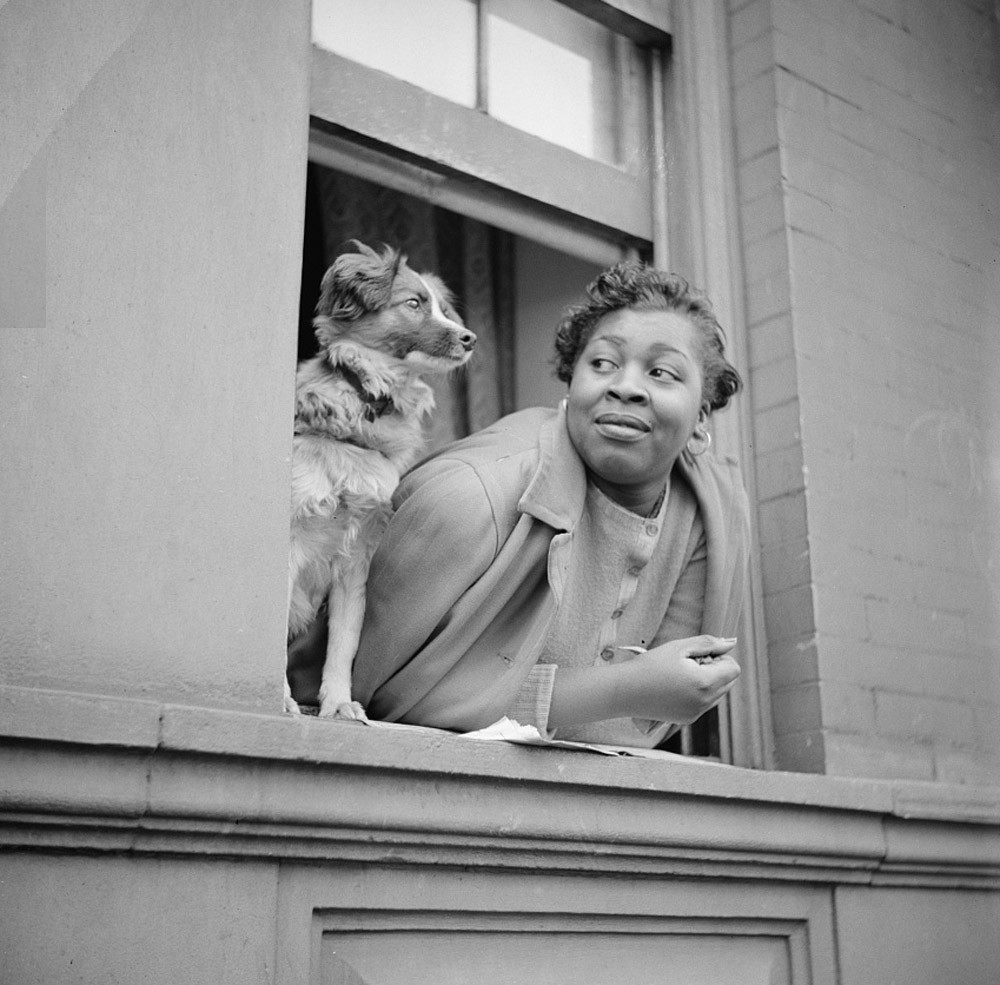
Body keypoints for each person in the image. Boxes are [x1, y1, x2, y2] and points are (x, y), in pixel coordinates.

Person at [293, 259, 751, 748]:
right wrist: (622, 689)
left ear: (702, 415)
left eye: (661, 372)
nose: (625, 387)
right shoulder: (469, 496)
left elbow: (643, 725)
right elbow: (384, 694)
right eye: (602, 364)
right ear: (570, 387)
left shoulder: (713, 517)